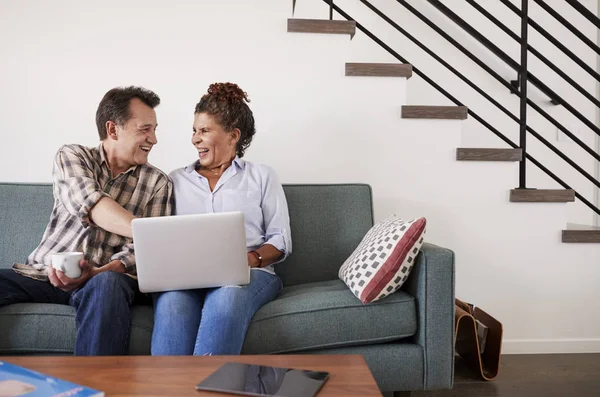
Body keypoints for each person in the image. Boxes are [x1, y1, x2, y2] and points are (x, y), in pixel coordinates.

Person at [0, 86, 173, 355]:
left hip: (106, 278)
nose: (154, 138)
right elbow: (90, 204)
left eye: (154, 129)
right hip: (46, 274)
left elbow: (142, 252)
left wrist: (99, 272)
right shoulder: (72, 156)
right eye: (145, 129)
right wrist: (147, 231)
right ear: (113, 129)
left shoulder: (158, 182)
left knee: (107, 285)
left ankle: (95, 389)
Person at [151, 82, 291, 356]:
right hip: (187, 278)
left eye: (204, 131)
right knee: (171, 303)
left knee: (228, 293)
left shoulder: (261, 176)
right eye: (194, 131)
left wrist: (249, 260)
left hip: (250, 274)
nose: (195, 139)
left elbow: (281, 239)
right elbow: (159, 236)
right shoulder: (175, 179)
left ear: (232, 135)